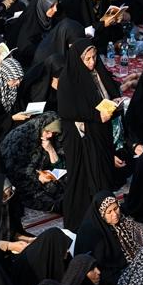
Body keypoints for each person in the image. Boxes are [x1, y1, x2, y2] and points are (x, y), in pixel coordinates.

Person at [57, 39, 123, 229]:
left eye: (94, 57)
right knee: (82, 177)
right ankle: (82, 221)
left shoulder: (97, 73)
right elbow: (67, 110)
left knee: (101, 171)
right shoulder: (69, 79)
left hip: (101, 132)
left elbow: (109, 92)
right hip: (80, 137)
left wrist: (114, 104)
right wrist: (96, 116)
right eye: (87, 59)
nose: (92, 62)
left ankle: (105, 213)